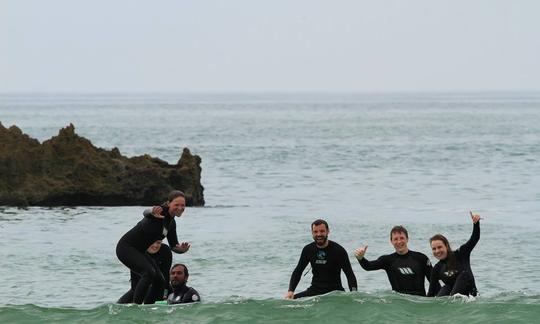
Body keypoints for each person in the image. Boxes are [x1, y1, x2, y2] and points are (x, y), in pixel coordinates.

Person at [116, 190, 191, 304]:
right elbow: (145, 212)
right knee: (149, 272)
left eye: (183, 205)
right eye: (177, 204)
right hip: (126, 248)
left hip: (140, 251)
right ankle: (136, 307)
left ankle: (149, 307)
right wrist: (151, 211)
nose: (180, 208)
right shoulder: (160, 212)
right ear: (168, 203)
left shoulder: (171, 223)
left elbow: (173, 246)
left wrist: (181, 250)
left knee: (160, 280)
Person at [354, 225, 436, 296]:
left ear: (407, 239)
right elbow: (368, 266)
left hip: (419, 301)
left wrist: (429, 300)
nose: (399, 241)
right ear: (391, 241)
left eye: (402, 238)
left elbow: (434, 282)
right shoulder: (387, 260)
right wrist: (361, 258)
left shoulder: (421, 258)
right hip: (398, 303)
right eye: (395, 239)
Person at [285, 219, 358, 299]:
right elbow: (298, 270)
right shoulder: (308, 249)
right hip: (314, 291)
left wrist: (354, 294)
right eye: (315, 232)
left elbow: (349, 274)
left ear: (328, 231)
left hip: (335, 292)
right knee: (289, 303)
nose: (319, 234)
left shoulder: (338, 250)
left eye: (322, 231)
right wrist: (291, 291)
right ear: (312, 233)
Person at [427, 212, 481, 297]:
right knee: (446, 288)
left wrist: (476, 224)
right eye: (434, 249)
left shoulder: (461, 254)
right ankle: (446, 306)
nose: (437, 251)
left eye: (440, 247)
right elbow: (430, 293)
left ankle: (453, 301)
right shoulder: (437, 268)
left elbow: (474, 239)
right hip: (453, 296)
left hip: (470, 296)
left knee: (463, 275)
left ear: (447, 246)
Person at [117, 240, 172, 304]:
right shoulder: (137, 251)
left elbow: (166, 276)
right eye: (152, 242)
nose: (155, 246)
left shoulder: (165, 250)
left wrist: (164, 294)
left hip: (161, 286)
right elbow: (135, 284)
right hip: (140, 286)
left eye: (158, 243)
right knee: (120, 304)